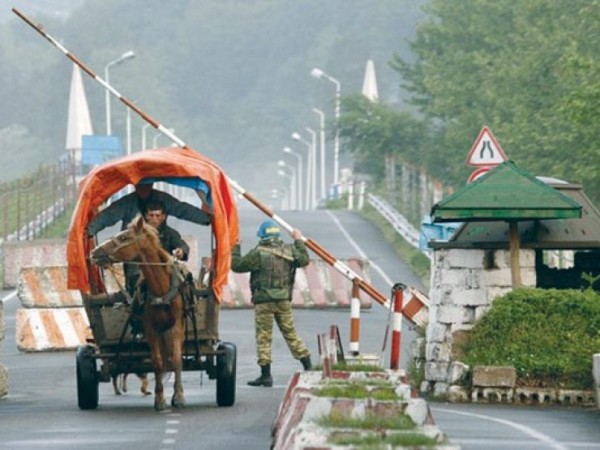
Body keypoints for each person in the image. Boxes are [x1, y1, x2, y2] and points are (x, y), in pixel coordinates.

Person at [231, 219, 312, 387]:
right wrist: (298, 239)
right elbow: (304, 260)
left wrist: (236, 247)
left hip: (263, 302)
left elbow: (237, 265)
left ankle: (266, 375)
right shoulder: (289, 250)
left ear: (261, 236)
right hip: (283, 300)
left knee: (264, 338)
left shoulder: (258, 253)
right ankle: (308, 367)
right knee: (291, 333)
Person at [88, 182, 207, 293]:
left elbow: (183, 211)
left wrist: (206, 219)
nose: (154, 219)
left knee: (181, 281)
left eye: (157, 216)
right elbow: (108, 216)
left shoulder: (168, 232)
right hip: (134, 264)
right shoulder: (127, 208)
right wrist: (89, 230)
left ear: (163, 216)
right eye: (151, 216)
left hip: (165, 269)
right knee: (134, 279)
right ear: (145, 216)